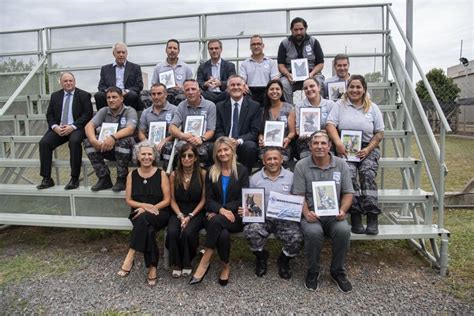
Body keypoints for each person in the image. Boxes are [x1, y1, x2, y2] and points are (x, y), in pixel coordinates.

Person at [292, 130, 354, 292]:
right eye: (316, 143)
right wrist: (306, 213)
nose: (319, 146)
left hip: (334, 215)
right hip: (312, 215)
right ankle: (313, 270)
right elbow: (298, 194)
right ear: (310, 146)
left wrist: (343, 210)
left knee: (344, 230)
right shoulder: (301, 166)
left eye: (323, 143)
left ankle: (337, 270)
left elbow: (348, 193)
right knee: (313, 233)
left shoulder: (341, 164)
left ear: (330, 146)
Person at [326, 74, 384, 235]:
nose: (355, 90)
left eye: (358, 87)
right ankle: (356, 215)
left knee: (367, 174)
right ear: (347, 88)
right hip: (345, 147)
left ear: (364, 89)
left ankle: (372, 215)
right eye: (352, 87)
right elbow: (330, 125)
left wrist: (369, 149)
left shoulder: (373, 108)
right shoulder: (340, 105)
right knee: (349, 175)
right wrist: (338, 143)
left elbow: (379, 133)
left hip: (366, 148)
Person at [190, 137, 249, 286]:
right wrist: (220, 210)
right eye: (219, 151)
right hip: (214, 213)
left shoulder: (242, 171)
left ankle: (205, 261)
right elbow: (208, 200)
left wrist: (226, 209)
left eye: (226, 149)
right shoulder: (211, 171)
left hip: (235, 216)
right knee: (221, 233)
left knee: (216, 222)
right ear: (215, 154)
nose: (223, 153)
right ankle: (225, 266)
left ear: (232, 150)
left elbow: (243, 198)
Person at [239, 147, 302, 279]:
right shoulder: (254, 179)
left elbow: (299, 198)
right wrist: (245, 209)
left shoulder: (292, 177)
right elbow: (248, 200)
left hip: (284, 219)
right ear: (263, 162)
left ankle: (284, 260)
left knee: (297, 237)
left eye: (275, 159)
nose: (272, 162)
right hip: (262, 219)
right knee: (251, 231)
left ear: (281, 160)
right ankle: (261, 257)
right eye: (269, 159)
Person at [117, 140, 171, 287]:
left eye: (149, 154)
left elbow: (167, 200)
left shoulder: (161, 174)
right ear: (138, 156)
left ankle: (131, 254)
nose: (146, 157)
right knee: (148, 228)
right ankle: (152, 267)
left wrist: (148, 208)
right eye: (143, 154)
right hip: (138, 212)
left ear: (154, 156)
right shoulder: (131, 175)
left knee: (144, 218)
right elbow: (129, 200)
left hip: (160, 212)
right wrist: (144, 206)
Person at [37, 72, 93, 190]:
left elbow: (87, 114)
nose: (68, 83)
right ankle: (47, 178)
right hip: (59, 128)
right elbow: (49, 114)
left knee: (74, 142)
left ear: (74, 81)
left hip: (77, 128)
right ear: (61, 83)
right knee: (44, 143)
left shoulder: (84, 95)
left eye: (70, 81)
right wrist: (55, 127)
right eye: (65, 81)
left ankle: (74, 178)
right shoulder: (55, 96)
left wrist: (72, 126)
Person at [84, 87, 137, 192]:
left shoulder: (129, 110)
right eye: (108, 97)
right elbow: (89, 126)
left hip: (126, 151)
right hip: (106, 148)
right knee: (87, 141)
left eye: (114, 97)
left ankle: (122, 178)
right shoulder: (103, 110)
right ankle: (104, 178)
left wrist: (113, 137)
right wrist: (94, 140)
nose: (111, 100)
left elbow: (130, 129)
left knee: (123, 141)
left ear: (121, 98)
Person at [167, 143, 206, 278]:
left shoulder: (202, 174)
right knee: (172, 231)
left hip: (196, 211)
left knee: (188, 232)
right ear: (180, 158)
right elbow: (171, 199)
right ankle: (177, 263)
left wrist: (190, 216)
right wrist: (180, 215)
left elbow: (204, 200)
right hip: (178, 210)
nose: (187, 158)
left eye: (190, 155)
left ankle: (187, 261)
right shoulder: (174, 175)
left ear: (195, 158)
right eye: (183, 155)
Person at [215, 75, 261, 173]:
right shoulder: (219, 106)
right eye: (232, 85)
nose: (236, 87)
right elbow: (218, 129)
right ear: (227, 89)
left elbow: (254, 131)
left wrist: (239, 141)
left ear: (244, 87)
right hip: (225, 141)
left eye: (239, 85)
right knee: (212, 147)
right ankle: (218, 176)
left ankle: (244, 176)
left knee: (250, 147)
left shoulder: (254, 106)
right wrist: (226, 141)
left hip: (242, 143)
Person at [169, 79, 216, 166]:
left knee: (211, 148)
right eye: (187, 90)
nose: (190, 92)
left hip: (204, 140)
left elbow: (211, 130)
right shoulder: (181, 106)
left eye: (193, 89)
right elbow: (172, 127)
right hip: (186, 140)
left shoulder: (210, 106)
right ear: (184, 93)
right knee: (175, 147)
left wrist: (201, 139)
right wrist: (182, 135)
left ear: (200, 91)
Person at [277, 17, 325, 103]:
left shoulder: (314, 42)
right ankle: (290, 110)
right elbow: (281, 65)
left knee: (319, 82)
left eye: (301, 29)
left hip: (311, 74)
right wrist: (287, 74)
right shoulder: (284, 43)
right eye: (295, 30)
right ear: (291, 30)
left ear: (306, 28)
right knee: (283, 84)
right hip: (290, 77)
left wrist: (312, 74)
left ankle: (317, 107)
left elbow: (320, 63)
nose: (298, 32)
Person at [295, 78, 336, 159]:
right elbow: (298, 129)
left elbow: (334, 128)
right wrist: (301, 133)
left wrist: (322, 133)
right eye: (306, 88)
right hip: (306, 142)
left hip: (326, 141)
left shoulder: (330, 104)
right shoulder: (299, 105)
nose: (309, 89)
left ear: (319, 87)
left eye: (312, 86)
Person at [95, 42, 144, 111]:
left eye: (123, 52)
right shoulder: (105, 69)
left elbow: (139, 86)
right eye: (118, 52)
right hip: (111, 95)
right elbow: (101, 86)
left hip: (127, 96)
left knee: (132, 95)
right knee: (99, 95)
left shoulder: (135, 68)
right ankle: (104, 117)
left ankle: (126, 116)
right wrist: (109, 92)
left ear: (126, 54)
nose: (121, 55)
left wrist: (126, 91)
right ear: (114, 54)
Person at [257, 79, 296, 164]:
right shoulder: (263, 110)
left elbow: (292, 132)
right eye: (271, 89)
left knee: (280, 159)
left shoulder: (290, 108)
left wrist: (288, 138)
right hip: (266, 146)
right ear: (267, 92)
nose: (274, 91)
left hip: (283, 145)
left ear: (282, 91)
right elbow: (261, 132)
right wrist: (260, 138)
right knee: (266, 159)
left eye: (277, 89)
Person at [138, 83, 177, 167]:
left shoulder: (174, 110)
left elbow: (177, 131)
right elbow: (141, 132)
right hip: (151, 145)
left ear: (166, 94)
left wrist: (164, 141)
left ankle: (166, 175)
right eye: (153, 94)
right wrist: (148, 143)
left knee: (169, 147)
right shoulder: (146, 112)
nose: (156, 97)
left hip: (168, 144)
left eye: (159, 93)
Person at [239, 35, 280, 106]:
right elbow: (242, 80)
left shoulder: (271, 62)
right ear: (250, 47)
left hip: (267, 91)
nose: (256, 46)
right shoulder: (244, 64)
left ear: (263, 45)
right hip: (250, 92)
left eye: (258, 44)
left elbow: (275, 80)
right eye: (253, 44)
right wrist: (243, 85)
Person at [151, 39, 193, 105]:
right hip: (163, 97)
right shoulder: (158, 67)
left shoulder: (186, 67)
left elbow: (191, 86)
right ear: (166, 50)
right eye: (170, 48)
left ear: (178, 51)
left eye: (175, 48)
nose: (172, 50)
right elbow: (154, 85)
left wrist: (181, 88)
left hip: (181, 98)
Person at [197, 39, 236, 103]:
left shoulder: (229, 66)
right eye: (211, 49)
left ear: (221, 50)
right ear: (208, 51)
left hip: (224, 94)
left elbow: (232, 82)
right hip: (208, 95)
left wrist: (220, 83)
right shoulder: (202, 67)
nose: (214, 51)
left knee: (228, 93)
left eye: (216, 48)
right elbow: (198, 82)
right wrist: (206, 83)